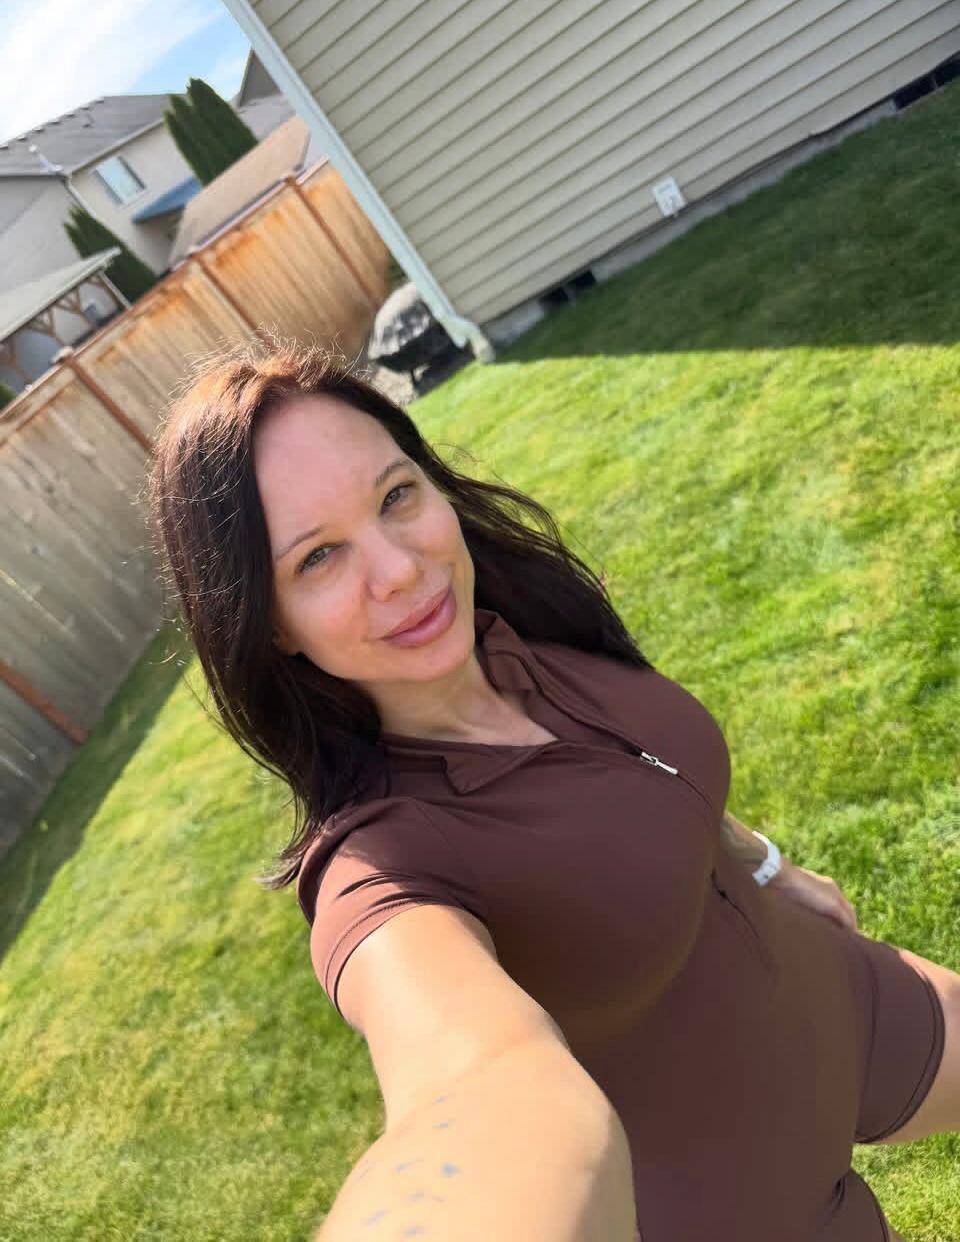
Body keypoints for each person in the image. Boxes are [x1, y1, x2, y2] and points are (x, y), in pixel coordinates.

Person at [146, 341, 958, 1242]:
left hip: (848, 1004)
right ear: (269, 626)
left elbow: (644, 782)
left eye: (396, 496)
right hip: (755, 1204)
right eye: (320, 557)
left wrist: (760, 862)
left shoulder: (527, 633)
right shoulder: (383, 868)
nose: (401, 569)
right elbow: (477, 1090)